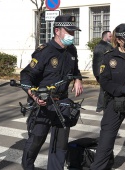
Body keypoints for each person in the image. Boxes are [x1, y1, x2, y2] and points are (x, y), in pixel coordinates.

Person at [20, 15, 83, 170]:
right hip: (43, 104)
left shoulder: (71, 50)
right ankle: (28, 167)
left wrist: (78, 79)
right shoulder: (44, 51)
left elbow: (75, 71)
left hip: (62, 103)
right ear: (57, 31)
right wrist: (34, 96)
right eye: (68, 31)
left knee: (60, 144)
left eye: (73, 31)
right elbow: (26, 75)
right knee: (36, 140)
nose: (72, 35)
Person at [90, 23, 125, 170]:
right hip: (116, 102)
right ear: (119, 40)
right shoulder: (109, 57)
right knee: (106, 140)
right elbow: (105, 81)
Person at [92, 31, 113, 113]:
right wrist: (97, 74)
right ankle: (101, 107)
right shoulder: (103, 47)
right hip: (103, 72)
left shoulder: (104, 46)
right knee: (104, 90)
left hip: (102, 72)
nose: (111, 38)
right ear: (105, 37)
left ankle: (101, 107)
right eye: (110, 36)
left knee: (103, 90)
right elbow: (96, 62)